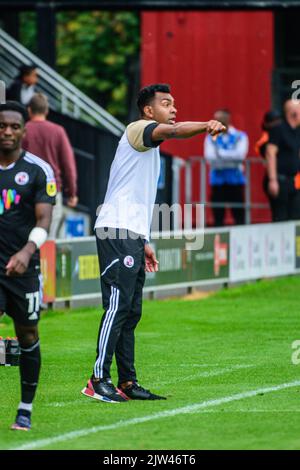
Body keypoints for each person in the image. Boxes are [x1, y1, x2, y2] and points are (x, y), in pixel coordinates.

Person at [81, 83, 226, 403]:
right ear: (149, 111)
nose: (174, 109)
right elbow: (175, 133)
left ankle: (128, 382)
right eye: (166, 104)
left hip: (130, 233)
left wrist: (144, 240)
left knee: (131, 311)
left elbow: (137, 195)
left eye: (174, 104)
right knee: (117, 306)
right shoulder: (139, 129)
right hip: (116, 230)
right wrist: (205, 125)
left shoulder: (148, 145)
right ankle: (97, 379)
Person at [0, 101, 56, 430]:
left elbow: (44, 218)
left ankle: (25, 408)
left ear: (24, 130)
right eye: (2, 126)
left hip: (23, 269)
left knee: (28, 335)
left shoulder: (38, 170)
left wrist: (27, 251)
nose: (7, 132)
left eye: (13, 126)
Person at [22, 93, 78, 238]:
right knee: (48, 237)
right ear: (46, 111)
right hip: (51, 189)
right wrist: (72, 192)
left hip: (26, 189)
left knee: (26, 235)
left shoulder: (22, 130)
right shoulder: (57, 131)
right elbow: (69, 165)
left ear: (29, 110)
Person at [204, 109, 249, 226]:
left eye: (219, 119)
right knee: (218, 215)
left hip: (236, 181)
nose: (216, 122)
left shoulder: (240, 136)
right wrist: (230, 157)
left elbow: (240, 156)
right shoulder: (211, 137)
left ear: (227, 119)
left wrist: (220, 154)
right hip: (217, 181)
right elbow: (210, 157)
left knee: (239, 214)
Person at [264, 99, 300, 222]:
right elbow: (270, 153)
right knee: (281, 217)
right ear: (294, 113)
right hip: (280, 180)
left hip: (294, 181)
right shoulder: (278, 129)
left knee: (295, 216)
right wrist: (273, 180)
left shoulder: (297, 131)